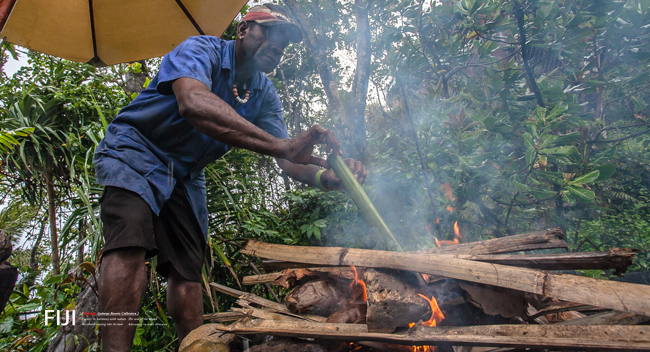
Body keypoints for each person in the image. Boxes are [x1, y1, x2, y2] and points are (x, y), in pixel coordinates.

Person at [93, 4, 367, 351]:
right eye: (271, 34)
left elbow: (289, 161)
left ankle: (195, 346)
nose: (279, 47)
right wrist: (283, 145)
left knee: (188, 272)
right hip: (135, 150)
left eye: (285, 43)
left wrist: (328, 178)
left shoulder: (263, 92)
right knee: (129, 248)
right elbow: (192, 102)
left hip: (186, 174)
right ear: (242, 31)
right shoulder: (200, 50)